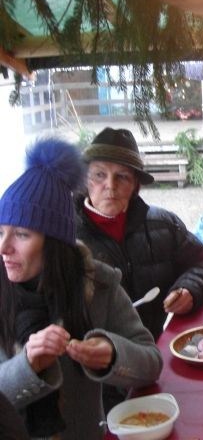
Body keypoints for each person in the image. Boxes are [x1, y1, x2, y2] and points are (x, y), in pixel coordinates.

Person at [0, 138, 162, 439]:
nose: (4, 248)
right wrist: (27, 367)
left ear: (54, 243)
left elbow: (151, 362)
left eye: (21, 234)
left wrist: (113, 355)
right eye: (0, 232)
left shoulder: (98, 284)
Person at [75, 127, 203, 340]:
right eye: (99, 175)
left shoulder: (164, 225)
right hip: (96, 354)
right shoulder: (65, 238)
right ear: (85, 180)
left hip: (163, 347)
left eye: (122, 176)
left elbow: (200, 265)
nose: (110, 186)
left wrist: (189, 289)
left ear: (135, 186)